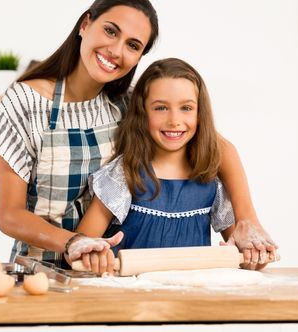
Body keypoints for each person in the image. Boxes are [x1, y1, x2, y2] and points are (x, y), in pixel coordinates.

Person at [0, 0, 276, 274]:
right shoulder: (25, 103)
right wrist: (73, 242)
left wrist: (247, 219)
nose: (116, 50)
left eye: (132, 45)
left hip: (104, 273)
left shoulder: (128, 103)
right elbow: (9, 215)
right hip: (39, 273)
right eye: (110, 31)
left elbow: (216, 145)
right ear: (85, 24)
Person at [75, 58, 277, 273]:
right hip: (131, 299)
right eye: (161, 107)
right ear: (143, 112)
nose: (174, 120)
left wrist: (256, 255)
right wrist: (94, 255)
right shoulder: (124, 175)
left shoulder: (210, 179)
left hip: (191, 300)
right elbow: (82, 245)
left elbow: (245, 258)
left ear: (200, 114)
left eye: (186, 108)